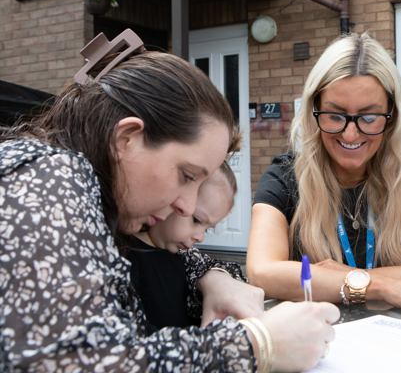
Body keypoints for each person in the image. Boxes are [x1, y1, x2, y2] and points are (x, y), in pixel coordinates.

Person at [0, 30, 338, 372]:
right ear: (127, 139)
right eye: (187, 176)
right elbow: (70, 362)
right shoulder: (48, 180)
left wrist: (213, 275)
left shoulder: (89, 194)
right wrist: (255, 345)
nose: (188, 207)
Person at [247, 32, 401, 314]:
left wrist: (354, 278)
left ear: (392, 117)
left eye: (369, 117)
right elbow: (261, 272)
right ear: (314, 111)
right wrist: (381, 287)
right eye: (335, 115)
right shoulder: (285, 176)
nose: (351, 134)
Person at [128, 160, 246, 333]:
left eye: (208, 229)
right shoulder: (126, 259)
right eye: (196, 220)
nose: (200, 237)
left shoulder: (183, 258)